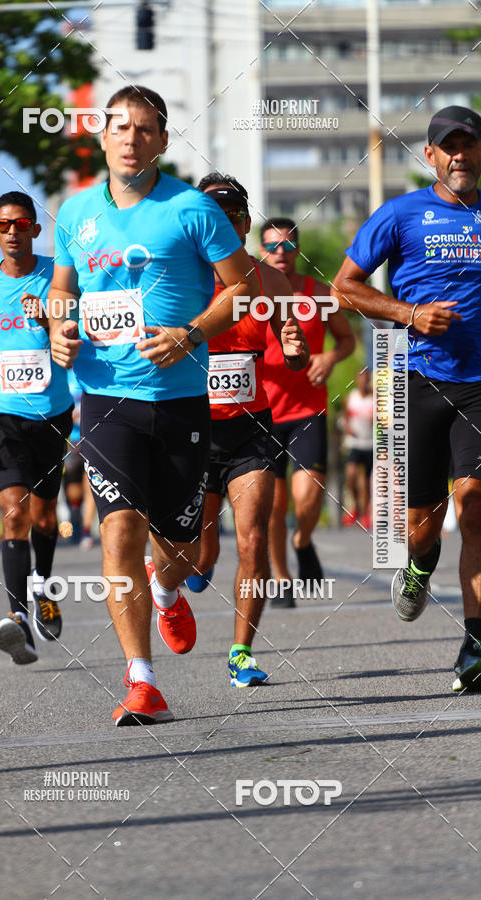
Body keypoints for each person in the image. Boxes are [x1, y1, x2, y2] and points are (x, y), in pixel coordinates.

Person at [47, 85, 261, 725]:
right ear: (102, 137)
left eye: (145, 129)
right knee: (119, 530)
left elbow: (243, 288)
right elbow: (63, 290)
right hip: (106, 396)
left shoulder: (194, 210)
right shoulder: (74, 213)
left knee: (181, 545)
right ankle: (142, 681)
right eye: (121, 127)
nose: (131, 138)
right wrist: (58, 328)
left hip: (181, 400)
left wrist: (190, 334)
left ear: (163, 140)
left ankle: (167, 589)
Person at [333, 105, 481, 693]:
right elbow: (344, 287)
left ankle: (474, 642)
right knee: (424, 523)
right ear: (431, 155)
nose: (461, 155)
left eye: (470, 145)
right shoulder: (400, 214)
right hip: (417, 380)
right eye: (450, 146)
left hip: (478, 385)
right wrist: (410, 313)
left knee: (475, 508)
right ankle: (418, 566)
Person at [189, 173, 309, 686]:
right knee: (202, 551)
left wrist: (297, 349)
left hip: (251, 426)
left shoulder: (269, 279)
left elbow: (294, 347)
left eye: (236, 214)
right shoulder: (179, 277)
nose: (228, 223)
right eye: (216, 214)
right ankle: (189, 571)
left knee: (255, 538)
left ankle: (241, 653)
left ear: (245, 223)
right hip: (190, 427)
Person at [0, 191, 73, 665]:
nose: (13, 233)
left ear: (35, 230)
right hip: (0, 412)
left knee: (46, 518)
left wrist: (47, 317)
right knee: (15, 514)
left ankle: (43, 585)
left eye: (22, 224)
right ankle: (18, 618)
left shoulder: (57, 275)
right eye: (3, 225)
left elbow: (75, 327)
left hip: (52, 411)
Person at [260, 217, 355, 606]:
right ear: (262, 250)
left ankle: (302, 540)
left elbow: (347, 340)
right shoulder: (253, 292)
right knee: (273, 505)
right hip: (261, 411)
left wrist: (331, 357)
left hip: (307, 408)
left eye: (287, 245)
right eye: (272, 246)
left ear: (297, 250)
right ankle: (282, 579)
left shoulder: (318, 292)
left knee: (309, 496)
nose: (280, 253)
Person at [63, 370, 97, 548]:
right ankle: (75, 514)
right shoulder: (62, 372)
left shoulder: (93, 367)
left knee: (91, 483)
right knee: (72, 486)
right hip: (72, 438)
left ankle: (86, 530)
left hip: (93, 436)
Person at [340, 368, 374, 529]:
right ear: (356, 379)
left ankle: (365, 514)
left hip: (370, 444)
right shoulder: (350, 398)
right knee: (351, 474)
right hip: (354, 443)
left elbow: (382, 420)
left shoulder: (375, 398)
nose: (363, 381)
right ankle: (354, 507)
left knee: (366, 482)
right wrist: (346, 427)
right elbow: (344, 418)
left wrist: (376, 422)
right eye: (361, 378)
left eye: (366, 378)